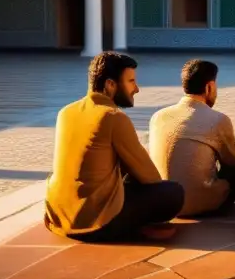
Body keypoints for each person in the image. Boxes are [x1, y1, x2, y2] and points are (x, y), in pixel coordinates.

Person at [45, 52, 184, 242]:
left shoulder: (66, 112)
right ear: (111, 84)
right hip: (95, 225)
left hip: (59, 218)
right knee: (173, 193)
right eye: (131, 81)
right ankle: (132, 228)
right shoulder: (112, 117)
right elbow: (151, 178)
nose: (136, 89)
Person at [148, 59, 235, 218]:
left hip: (164, 202)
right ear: (209, 87)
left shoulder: (158, 117)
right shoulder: (217, 120)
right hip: (200, 205)